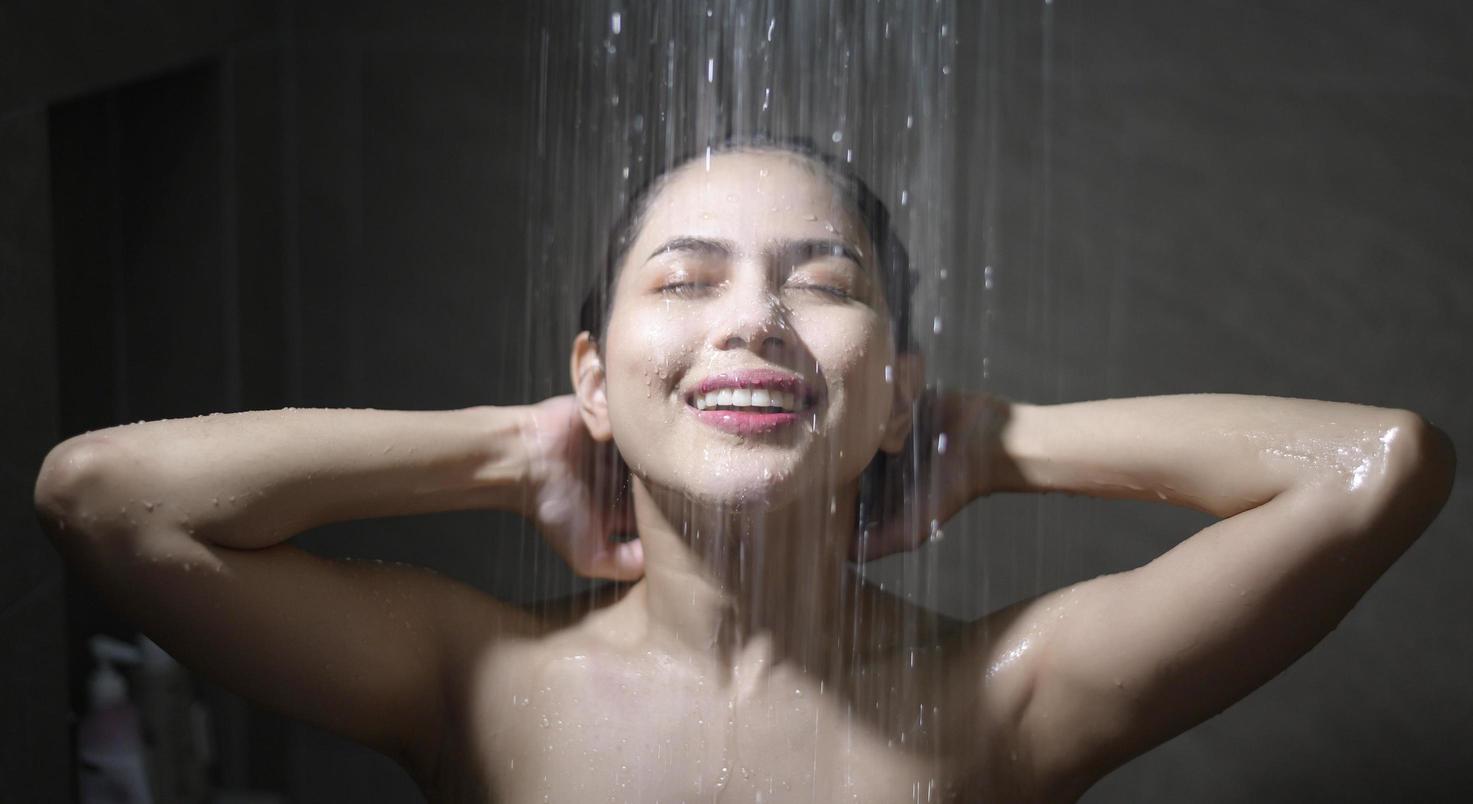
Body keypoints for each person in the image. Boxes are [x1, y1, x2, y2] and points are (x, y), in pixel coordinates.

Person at [34, 140, 1455, 803]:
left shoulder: (1000, 702)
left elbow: (1374, 466)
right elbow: (100, 494)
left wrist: (993, 441)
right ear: (595, 369)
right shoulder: (474, 679)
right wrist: (505, 451)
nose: (752, 320)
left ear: (898, 382)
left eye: (818, 283)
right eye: (689, 278)